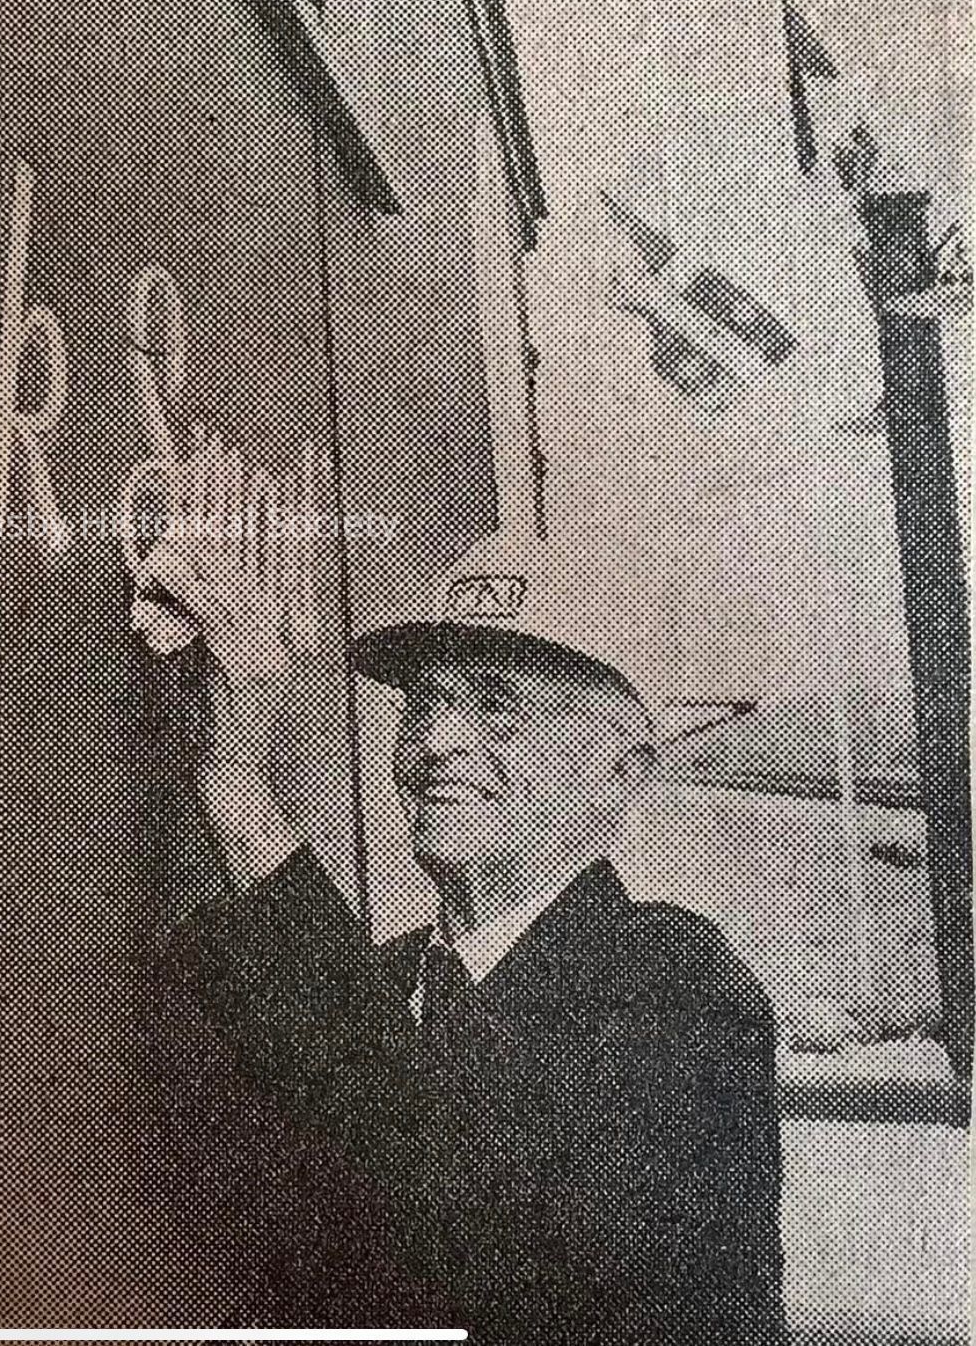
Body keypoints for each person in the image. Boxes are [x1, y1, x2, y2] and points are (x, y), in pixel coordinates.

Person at [136, 536, 788, 1346]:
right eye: (420, 704)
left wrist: (238, 789)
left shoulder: (676, 984)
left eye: (496, 706)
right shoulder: (383, 981)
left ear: (616, 774)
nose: (437, 740)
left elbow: (475, 1250)